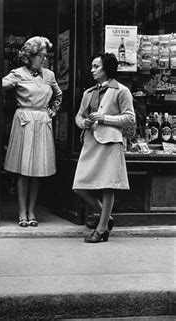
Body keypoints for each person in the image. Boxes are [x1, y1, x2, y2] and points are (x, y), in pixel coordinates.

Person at [0, 36, 62, 227]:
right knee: (23, 171)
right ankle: (21, 211)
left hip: (42, 121)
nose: (44, 59)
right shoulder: (18, 74)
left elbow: (58, 95)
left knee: (37, 170)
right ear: (30, 56)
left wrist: (51, 111)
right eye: (41, 56)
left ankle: (31, 210)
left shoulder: (49, 75)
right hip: (25, 121)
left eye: (45, 56)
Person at [73, 53, 135, 243]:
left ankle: (101, 229)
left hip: (110, 143)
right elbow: (79, 117)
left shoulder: (121, 91)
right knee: (79, 187)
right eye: (92, 66)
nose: (92, 70)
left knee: (108, 187)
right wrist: (85, 123)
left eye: (96, 67)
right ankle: (106, 217)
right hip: (91, 142)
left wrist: (104, 118)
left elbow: (130, 118)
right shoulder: (88, 92)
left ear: (107, 68)